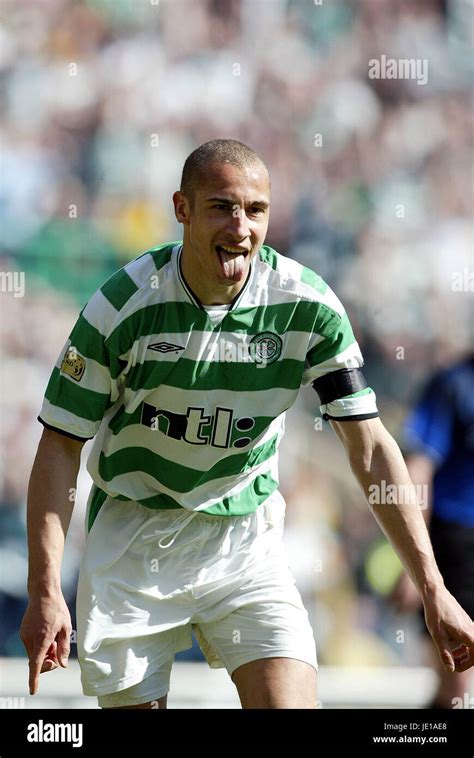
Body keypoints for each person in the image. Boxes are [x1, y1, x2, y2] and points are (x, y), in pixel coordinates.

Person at [20, 139, 473, 709]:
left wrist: (434, 588)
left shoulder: (308, 308)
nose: (241, 227)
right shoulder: (123, 307)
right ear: (181, 209)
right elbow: (60, 446)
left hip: (245, 541)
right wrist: (45, 589)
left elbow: (370, 449)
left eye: (255, 210)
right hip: (134, 543)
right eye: (221, 207)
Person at [390, 354, 474, 708]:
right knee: (460, 688)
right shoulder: (454, 384)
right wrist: (417, 570)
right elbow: (418, 470)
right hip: (458, 548)